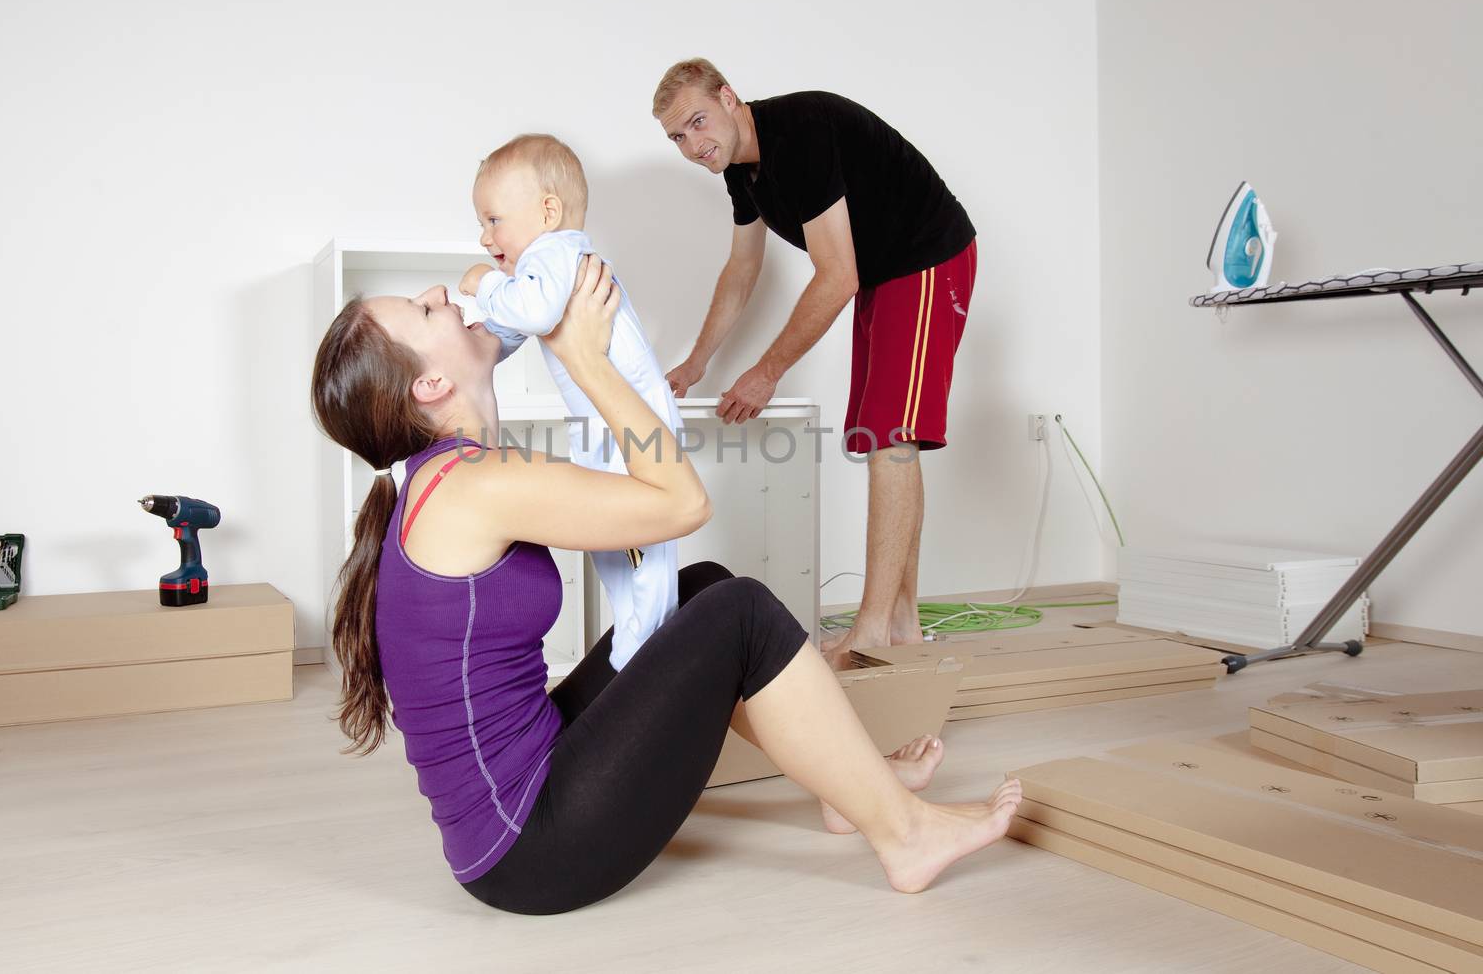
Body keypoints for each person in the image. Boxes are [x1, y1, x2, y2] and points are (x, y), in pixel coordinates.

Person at [309, 256, 1021, 915]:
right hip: (529, 848)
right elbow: (682, 502)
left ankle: (849, 792)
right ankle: (904, 835)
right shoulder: (471, 483)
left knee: (700, 588)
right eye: (424, 312)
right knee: (740, 614)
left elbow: (648, 507)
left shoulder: (451, 476)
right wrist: (592, 364)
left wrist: (556, 321)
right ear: (429, 386)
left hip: (514, 810)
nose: (441, 295)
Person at [652, 59, 978, 662]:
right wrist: (697, 361)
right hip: (886, 273)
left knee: (892, 439)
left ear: (729, 98)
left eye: (698, 122)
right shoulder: (741, 172)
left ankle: (875, 628)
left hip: (927, 257)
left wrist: (766, 372)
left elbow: (837, 276)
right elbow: (742, 269)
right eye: (677, 137)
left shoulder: (797, 133)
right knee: (883, 435)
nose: (694, 145)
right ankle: (900, 623)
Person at [458, 133, 681, 671]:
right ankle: (633, 630)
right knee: (607, 533)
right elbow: (519, 326)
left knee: (644, 539)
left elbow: (532, 314)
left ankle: (651, 640)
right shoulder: (545, 267)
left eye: (493, 220)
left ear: (548, 211)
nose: (485, 237)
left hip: (630, 415)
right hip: (602, 418)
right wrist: (479, 336)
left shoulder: (555, 250)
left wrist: (485, 284)